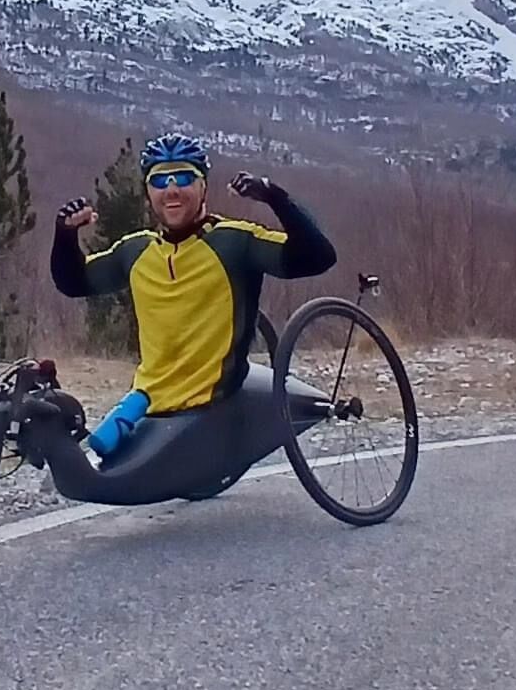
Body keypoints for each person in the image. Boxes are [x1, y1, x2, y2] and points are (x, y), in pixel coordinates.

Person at [50, 132, 337, 458]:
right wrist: (65, 235)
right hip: (149, 399)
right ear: (148, 191)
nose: (171, 189)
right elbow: (73, 283)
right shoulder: (135, 251)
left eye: (184, 178)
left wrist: (275, 198)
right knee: (89, 454)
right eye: (160, 181)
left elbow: (318, 257)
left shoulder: (235, 242)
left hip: (211, 402)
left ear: (203, 187)